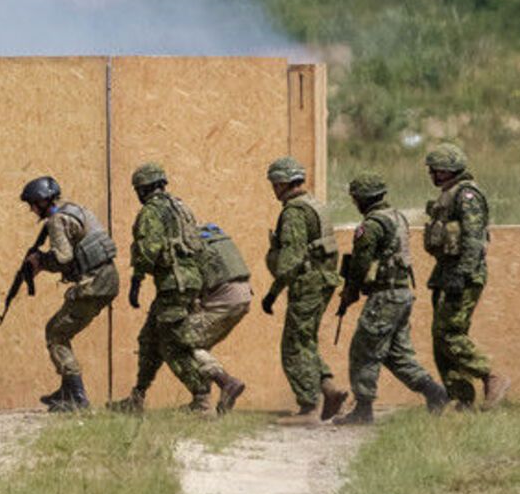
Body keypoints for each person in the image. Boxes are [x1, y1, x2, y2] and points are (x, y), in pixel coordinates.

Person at [333, 172, 448, 425]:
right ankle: (435, 392)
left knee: (363, 351)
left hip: (384, 296)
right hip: (402, 293)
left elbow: (361, 263)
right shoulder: (397, 217)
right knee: (396, 354)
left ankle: (363, 410)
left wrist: (350, 292)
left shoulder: (371, 225)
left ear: (362, 198)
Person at [109, 163, 208, 414]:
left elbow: (148, 250)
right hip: (186, 283)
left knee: (170, 344)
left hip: (173, 285)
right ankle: (137, 397)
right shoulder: (182, 208)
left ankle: (202, 398)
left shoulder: (151, 212)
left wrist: (136, 281)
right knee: (149, 340)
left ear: (144, 188)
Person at [19, 175, 119, 412]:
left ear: (43, 202)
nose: (32, 209)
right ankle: (67, 390)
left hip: (95, 283)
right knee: (60, 329)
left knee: (56, 332)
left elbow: (64, 257)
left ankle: (76, 396)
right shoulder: (74, 210)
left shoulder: (56, 220)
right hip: (106, 279)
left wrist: (40, 261)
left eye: (32, 204)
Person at [422, 143, 509, 411]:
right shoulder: (449, 195)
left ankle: (491, 376)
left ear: (448, 171)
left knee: (449, 333)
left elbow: (473, 238)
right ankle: (462, 398)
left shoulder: (466, 195)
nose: (432, 175)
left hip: (463, 275)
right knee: (441, 339)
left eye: (436, 170)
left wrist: (463, 273)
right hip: (447, 274)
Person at [261, 156, 346, 426]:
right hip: (323, 282)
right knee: (306, 341)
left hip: (307, 284)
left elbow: (290, 260)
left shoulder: (294, 212)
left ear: (284, 182)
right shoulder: (316, 205)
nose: (274, 189)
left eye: (275, 183)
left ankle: (308, 408)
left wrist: (273, 293)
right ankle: (330, 391)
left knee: (293, 346)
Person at [184, 223, 250, 414]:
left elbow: (191, 283)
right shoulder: (211, 235)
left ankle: (227, 382)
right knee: (201, 346)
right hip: (243, 296)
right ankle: (201, 404)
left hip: (225, 299)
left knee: (181, 341)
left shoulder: (190, 243)